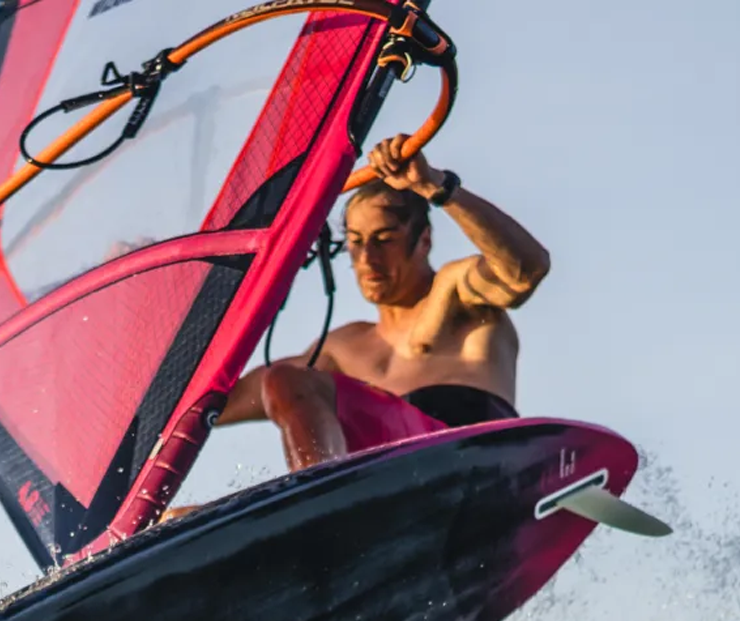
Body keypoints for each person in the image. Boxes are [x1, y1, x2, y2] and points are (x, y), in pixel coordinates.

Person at [215, 134, 552, 470]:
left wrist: (436, 186)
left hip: (473, 459)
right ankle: (321, 491)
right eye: (356, 242)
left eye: (384, 239)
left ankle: (323, 489)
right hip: (398, 477)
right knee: (282, 380)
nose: (367, 258)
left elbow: (526, 272)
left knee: (289, 379)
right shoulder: (342, 348)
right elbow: (218, 405)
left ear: (424, 241)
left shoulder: (458, 293)